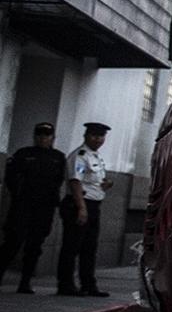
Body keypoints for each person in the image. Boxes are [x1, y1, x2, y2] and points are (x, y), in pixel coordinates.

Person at [1, 122, 68, 293]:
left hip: (44, 207)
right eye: (40, 135)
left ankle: (25, 281)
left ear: (52, 137)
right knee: (12, 242)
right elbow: (11, 177)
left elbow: (58, 180)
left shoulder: (58, 157)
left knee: (35, 246)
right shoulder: (24, 154)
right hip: (23, 205)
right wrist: (19, 194)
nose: (43, 138)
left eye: (47, 135)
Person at [57, 122, 112, 298]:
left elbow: (93, 181)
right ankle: (65, 285)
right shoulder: (80, 156)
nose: (98, 139)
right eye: (94, 136)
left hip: (94, 204)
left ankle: (88, 284)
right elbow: (75, 182)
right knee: (72, 246)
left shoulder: (96, 157)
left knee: (89, 248)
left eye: (101, 136)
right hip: (79, 204)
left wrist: (105, 185)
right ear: (86, 136)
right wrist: (81, 208)